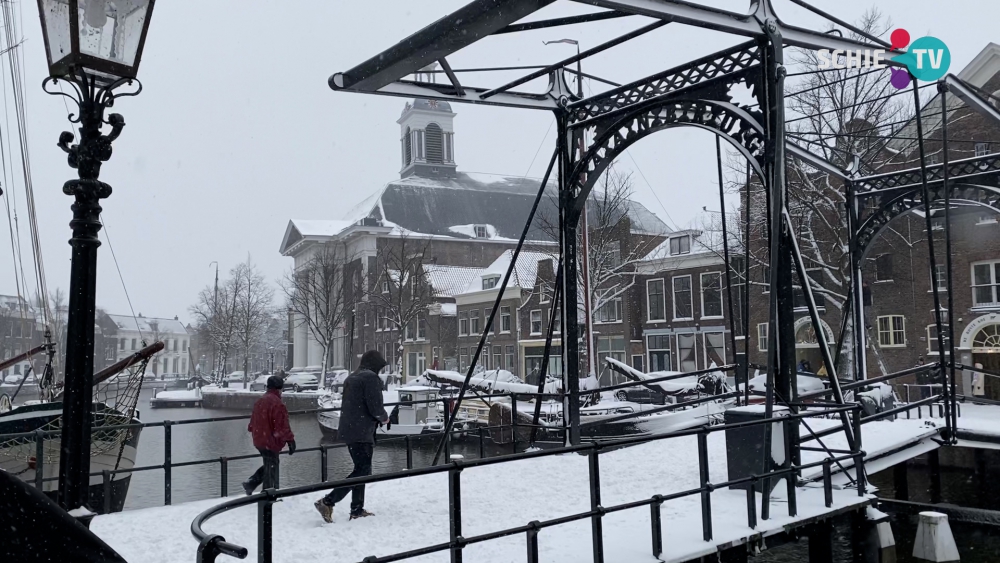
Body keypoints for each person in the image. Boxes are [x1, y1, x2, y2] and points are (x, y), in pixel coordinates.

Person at [315, 350, 389, 523]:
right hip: (363, 431)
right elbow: (375, 406)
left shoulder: (352, 377)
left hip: (349, 430)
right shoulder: (370, 378)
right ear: (374, 365)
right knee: (363, 470)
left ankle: (356, 509)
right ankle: (328, 501)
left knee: (360, 468)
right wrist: (385, 418)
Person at [242, 375, 296, 495]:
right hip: (270, 440)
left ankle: (251, 483)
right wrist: (290, 441)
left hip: (259, 439)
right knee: (272, 466)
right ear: (279, 388)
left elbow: (251, 425)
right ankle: (268, 494)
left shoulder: (260, 401)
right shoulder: (277, 404)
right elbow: (282, 426)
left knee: (270, 463)